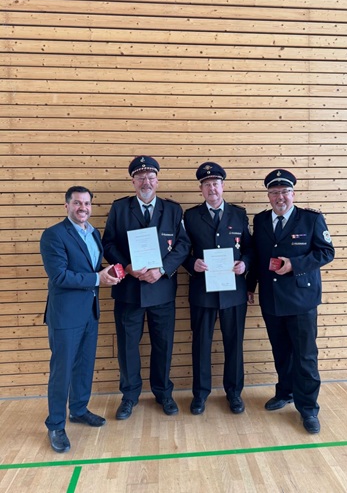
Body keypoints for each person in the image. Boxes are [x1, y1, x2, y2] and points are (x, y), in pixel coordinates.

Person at [102, 156, 191, 419]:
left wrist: (162, 269)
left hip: (161, 290)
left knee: (163, 345)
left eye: (151, 177)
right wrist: (127, 266)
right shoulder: (119, 208)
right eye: (140, 178)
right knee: (128, 346)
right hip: (129, 291)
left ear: (157, 181)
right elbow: (108, 244)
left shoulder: (172, 210)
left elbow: (183, 245)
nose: (146, 182)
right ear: (133, 182)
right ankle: (129, 396)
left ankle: (163, 393)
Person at [247, 169, 334, 434]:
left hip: (301, 300)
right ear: (269, 196)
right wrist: (250, 286)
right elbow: (258, 256)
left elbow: (326, 252)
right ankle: (285, 392)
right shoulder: (261, 220)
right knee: (281, 352)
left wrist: (294, 264)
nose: (279, 197)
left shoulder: (311, 219)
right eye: (274, 193)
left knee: (305, 356)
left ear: (293, 194)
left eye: (284, 192)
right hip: (271, 299)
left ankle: (308, 408)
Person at [40, 186, 122, 453]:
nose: (82, 208)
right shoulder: (53, 235)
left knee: (84, 366)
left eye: (86, 203)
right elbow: (59, 276)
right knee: (62, 371)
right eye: (77, 203)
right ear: (67, 206)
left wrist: (107, 272)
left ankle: (78, 410)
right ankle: (55, 424)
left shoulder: (93, 233)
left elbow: (91, 268)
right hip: (65, 315)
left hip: (90, 312)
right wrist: (98, 278)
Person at [183, 162, 253, 415]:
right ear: (201, 189)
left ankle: (234, 393)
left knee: (234, 344)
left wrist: (245, 263)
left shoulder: (238, 214)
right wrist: (192, 263)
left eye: (215, 183)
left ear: (223, 186)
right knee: (201, 345)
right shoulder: (190, 216)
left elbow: (249, 248)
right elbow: (182, 249)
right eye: (206, 184)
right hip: (203, 291)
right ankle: (200, 394)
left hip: (233, 292)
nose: (211, 188)